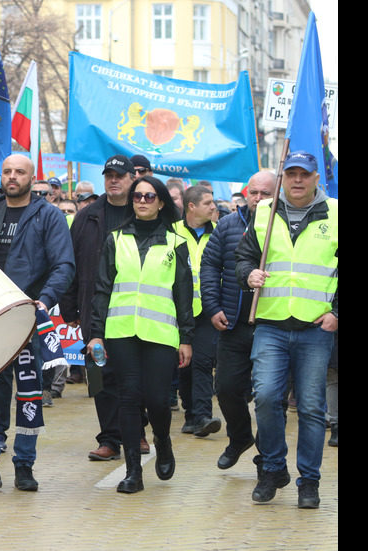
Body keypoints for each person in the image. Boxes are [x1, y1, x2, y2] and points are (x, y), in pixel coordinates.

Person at [0, 154, 74, 492]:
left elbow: (63, 265)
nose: (12, 177)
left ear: (32, 177)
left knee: (28, 393)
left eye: (19, 172)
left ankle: (24, 465)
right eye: (7, 172)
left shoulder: (48, 216)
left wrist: (44, 300)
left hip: (26, 319)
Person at [235, 151, 337, 509]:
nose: (297, 180)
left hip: (315, 328)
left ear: (315, 179)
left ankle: (309, 481)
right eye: (290, 173)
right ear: (282, 177)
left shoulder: (337, 214)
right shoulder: (263, 211)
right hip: (271, 324)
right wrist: (248, 274)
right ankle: (273, 469)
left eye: (304, 174)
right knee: (264, 397)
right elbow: (242, 258)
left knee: (310, 408)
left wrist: (336, 313)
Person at [87, 175, 194, 493]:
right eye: (138, 196)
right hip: (121, 332)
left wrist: (186, 337)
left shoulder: (177, 244)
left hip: (160, 334)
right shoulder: (115, 239)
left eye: (150, 196)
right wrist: (96, 333)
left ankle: (162, 439)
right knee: (129, 398)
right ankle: (133, 470)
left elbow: (183, 295)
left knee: (158, 401)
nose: (143, 201)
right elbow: (102, 288)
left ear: (161, 202)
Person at [59, 154, 138, 462]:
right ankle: (109, 438)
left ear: (132, 178)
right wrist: (70, 306)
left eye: (119, 175)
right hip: (95, 308)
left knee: (134, 375)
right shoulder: (87, 216)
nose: (113, 180)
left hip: (135, 309)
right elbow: (71, 262)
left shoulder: (143, 212)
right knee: (100, 376)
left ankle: (136, 432)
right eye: (109, 175)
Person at [200, 170, 276, 471]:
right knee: (228, 389)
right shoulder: (228, 224)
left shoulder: (281, 226)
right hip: (233, 323)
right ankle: (240, 437)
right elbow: (209, 265)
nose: (257, 199)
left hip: (272, 326)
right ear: (246, 193)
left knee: (271, 398)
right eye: (253, 193)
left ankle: (268, 456)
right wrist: (213, 306)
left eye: (265, 194)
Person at [174, 184, 220, 438]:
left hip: (207, 311)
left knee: (202, 362)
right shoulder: (172, 232)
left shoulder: (219, 233)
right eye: (207, 203)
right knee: (184, 364)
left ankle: (202, 416)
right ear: (191, 206)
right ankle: (190, 414)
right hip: (177, 311)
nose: (213, 207)